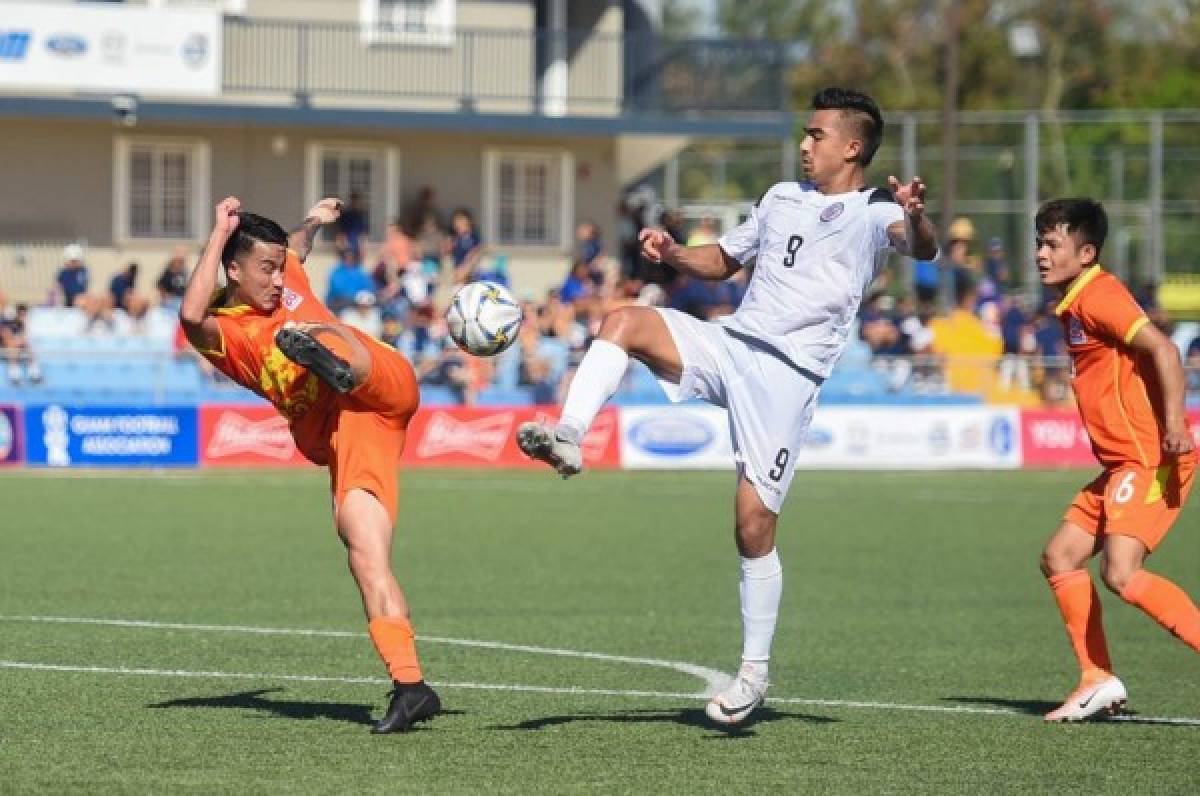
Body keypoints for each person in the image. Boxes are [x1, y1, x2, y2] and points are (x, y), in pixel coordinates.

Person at [514, 87, 938, 726]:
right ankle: (570, 434)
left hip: (786, 380)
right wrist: (674, 254)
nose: (804, 143)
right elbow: (724, 261)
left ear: (852, 147)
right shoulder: (778, 198)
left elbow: (920, 245)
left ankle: (753, 676)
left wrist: (918, 215)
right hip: (731, 343)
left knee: (751, 527)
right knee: (626, 319)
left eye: (817, 135)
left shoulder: (873, 208)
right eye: (805, 132)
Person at [179, 196, 439, 734]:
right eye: (265, 269)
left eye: (280, 268)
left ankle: (323, 354)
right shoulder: (228, 333)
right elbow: (189, 314)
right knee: (365, 554)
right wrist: (218, 232)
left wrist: (314, 221)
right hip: (348, 430)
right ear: (232, 268)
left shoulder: (286, 272)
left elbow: (296, 245)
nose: (278, 278)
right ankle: (412, 687)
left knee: (324, 334)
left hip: (380, 382)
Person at [1034, 198, 1197, 722]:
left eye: (1052, 244)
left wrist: (1175, 424)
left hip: (1149, 460)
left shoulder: (1099, 295)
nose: (1040, 253)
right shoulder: (1076, 300)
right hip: (1122, 466)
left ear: (1085, 253)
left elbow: (1164, 350)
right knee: (1060, 556)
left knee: (1122, 574)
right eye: (1040, 242)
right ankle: (1097, 678)